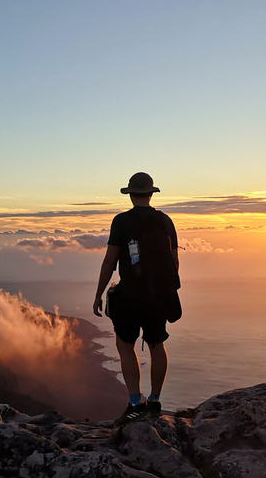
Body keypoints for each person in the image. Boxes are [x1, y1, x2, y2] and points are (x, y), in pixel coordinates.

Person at [93, 172, 179, 426]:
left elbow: (110, 260)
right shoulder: (165, 221)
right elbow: (174, 261)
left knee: (125, 345)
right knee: (157, 345)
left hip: (129, 295)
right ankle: (155, 400)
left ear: (130, 195)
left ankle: (134, 403)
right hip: (158, 295)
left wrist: (98, 293)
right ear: (151, 193)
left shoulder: (121, 221)